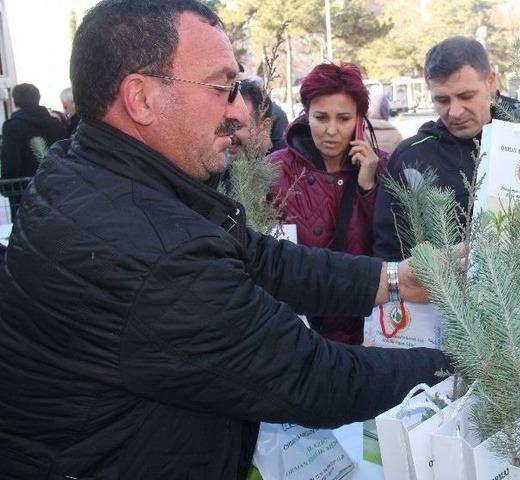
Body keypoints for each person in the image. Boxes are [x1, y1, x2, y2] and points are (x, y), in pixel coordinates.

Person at [0, 2, 452, 478]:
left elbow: (262, 260)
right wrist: (463, 365)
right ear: (142, 98)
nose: (239, 111)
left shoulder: (94, 170)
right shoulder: (153, 250)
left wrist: (396, 278)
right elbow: (312, 377)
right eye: (223, 88)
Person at [373, 35, 520, 260]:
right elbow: (388, 253)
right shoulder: (411, 158)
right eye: (442, 100)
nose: (455, 111)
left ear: (491, 81)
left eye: (466, 96)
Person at [268, 62, 387, 345]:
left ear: (359, 119)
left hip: (364, 326)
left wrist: (369, 187)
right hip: (297, 329)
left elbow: (391, 243)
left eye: (343, 119)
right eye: (321, 117)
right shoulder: (274, 170)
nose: (331, 130)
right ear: (306, 114)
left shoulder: (382, 166)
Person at [0, 83, 67, 220]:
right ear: (38, 98)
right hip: (58, 190)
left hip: (25, 195)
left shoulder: (12, 127)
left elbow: (11, 162)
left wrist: (7, 186)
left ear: (15, 101)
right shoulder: (56, 124)